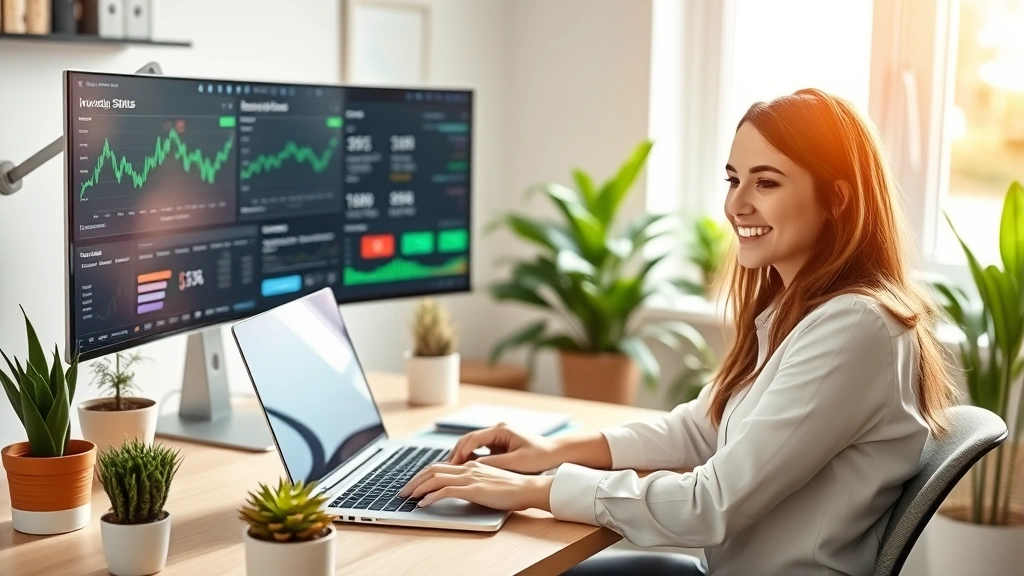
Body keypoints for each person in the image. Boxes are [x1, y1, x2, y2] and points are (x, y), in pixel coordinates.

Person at [398, 89, 960, 575]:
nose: (737, 203)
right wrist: (552, 451)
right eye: (734, 178)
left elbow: (711, 503)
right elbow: (700, 429)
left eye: (766, 182)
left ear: (837, 198)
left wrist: (541, 489)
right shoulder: (801, 310)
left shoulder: (855, 326)